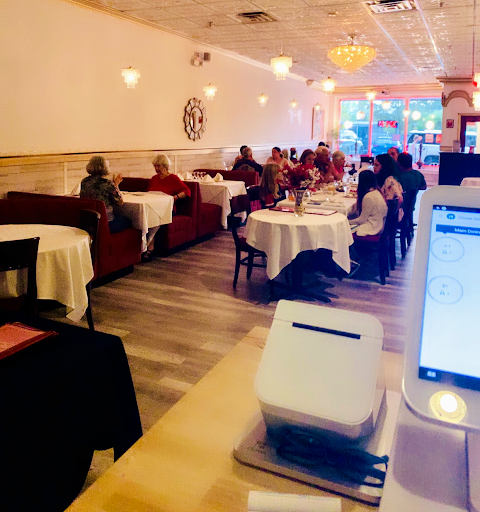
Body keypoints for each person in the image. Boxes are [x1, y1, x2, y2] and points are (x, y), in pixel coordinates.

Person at [145, 154, 191, 261]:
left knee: (154, 217)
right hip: (153, 207)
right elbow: (147, 193)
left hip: (167, 209)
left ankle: (150, 245)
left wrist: (176, 197)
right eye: (155, 166)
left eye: (159, 166)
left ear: (165, 166)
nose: (156, 169)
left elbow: (187, 191)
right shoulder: (154, 178)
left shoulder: (173, 178)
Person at [80, 155, 132, 234]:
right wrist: (116, 185)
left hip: (89, 223)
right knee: (128, 220)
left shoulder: (84, 182)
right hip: (106, 224)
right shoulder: (107, 183)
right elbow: (120, 201)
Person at [348, 170, 388, 237]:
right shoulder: (377, 192)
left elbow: (362, 220)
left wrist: (347, 221)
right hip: (379, 224)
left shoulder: (369, 197)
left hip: (373, 227)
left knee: (344, 229)